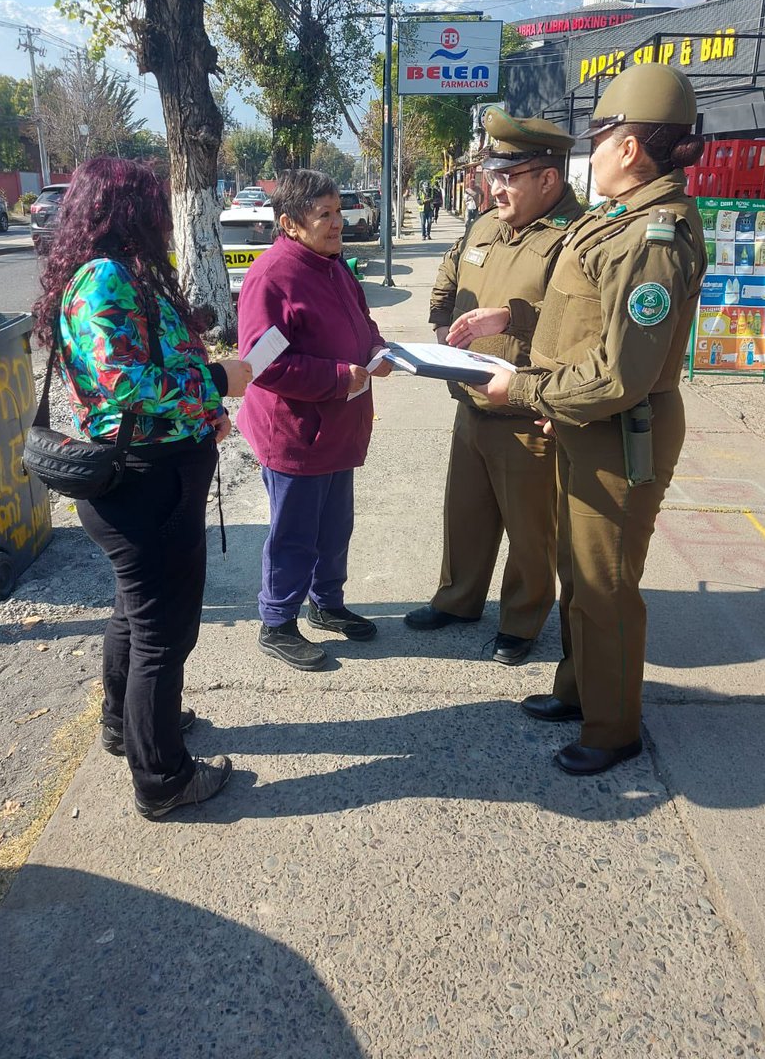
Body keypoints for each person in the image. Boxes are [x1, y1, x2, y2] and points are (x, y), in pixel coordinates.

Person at [448, 65, 707, 776]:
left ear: (630, 146)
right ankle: (579, 690)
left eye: (602, 135)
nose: (593, 149)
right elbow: (580, 314)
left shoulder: (653, 235)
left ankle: (614, 727)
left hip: (617, 434)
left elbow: (623, 373)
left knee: (605, 587)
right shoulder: (618, 216)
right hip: (583, 421)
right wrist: (515, 324)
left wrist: (525, 388)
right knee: (577, 573)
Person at [32, 157, 252, 819]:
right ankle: (161, 779)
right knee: (163, 634)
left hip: (152, 474)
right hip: (146, 485)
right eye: (155, 204)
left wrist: (201, 409)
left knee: (135, 617)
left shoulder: (118, 273)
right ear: (128, 209)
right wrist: (215, 383)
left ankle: (124, 728)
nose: (164, 217)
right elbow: (122, 382)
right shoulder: (104, 278)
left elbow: (150, 369)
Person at [405, 110, 582, 665]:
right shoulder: (485, 224)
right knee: (465, 514)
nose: (494, 185)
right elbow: (450, 272)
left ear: (548, 179)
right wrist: (440, 320)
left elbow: (580, 320)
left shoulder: (574, 239)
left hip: (527, 411)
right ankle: (458, 599)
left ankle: (522, 621)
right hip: (472, 401)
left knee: (531, 529)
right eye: (492, 172)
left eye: (508, 174)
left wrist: (513, 318)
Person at [237, 168, 392, 671]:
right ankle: (277, 623)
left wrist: (377, 347)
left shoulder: (333, 266)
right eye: (324, 214)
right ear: (290, 223)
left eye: (338, 212)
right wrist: (337, 376)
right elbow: (263, 365)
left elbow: (362, 322)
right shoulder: (274, 277)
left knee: (334, 527)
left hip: (339, 428)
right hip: (296, 434)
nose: (337, 223)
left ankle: (326, 603)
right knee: (295, 532)